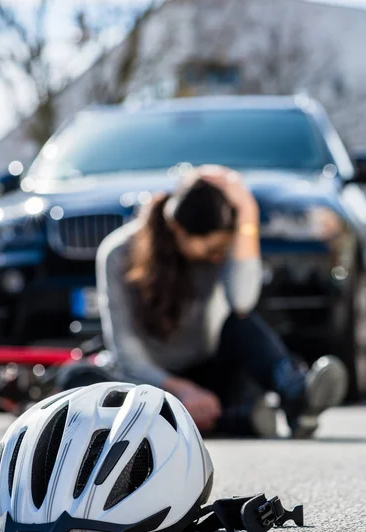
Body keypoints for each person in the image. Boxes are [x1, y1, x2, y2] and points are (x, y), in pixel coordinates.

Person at [57, 165, 347, 438]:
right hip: (149, 384)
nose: (219, 254)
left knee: (241, 325)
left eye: (224, 244)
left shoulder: (226, 245)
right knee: (78, 379)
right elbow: (128, 353)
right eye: (211, 247)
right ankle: (236, 419)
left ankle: (295, 395)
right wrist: (182, 391)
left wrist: (248, 212)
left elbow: (243, 302)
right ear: (179, 229)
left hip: (210, 378)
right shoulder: (117, 253)